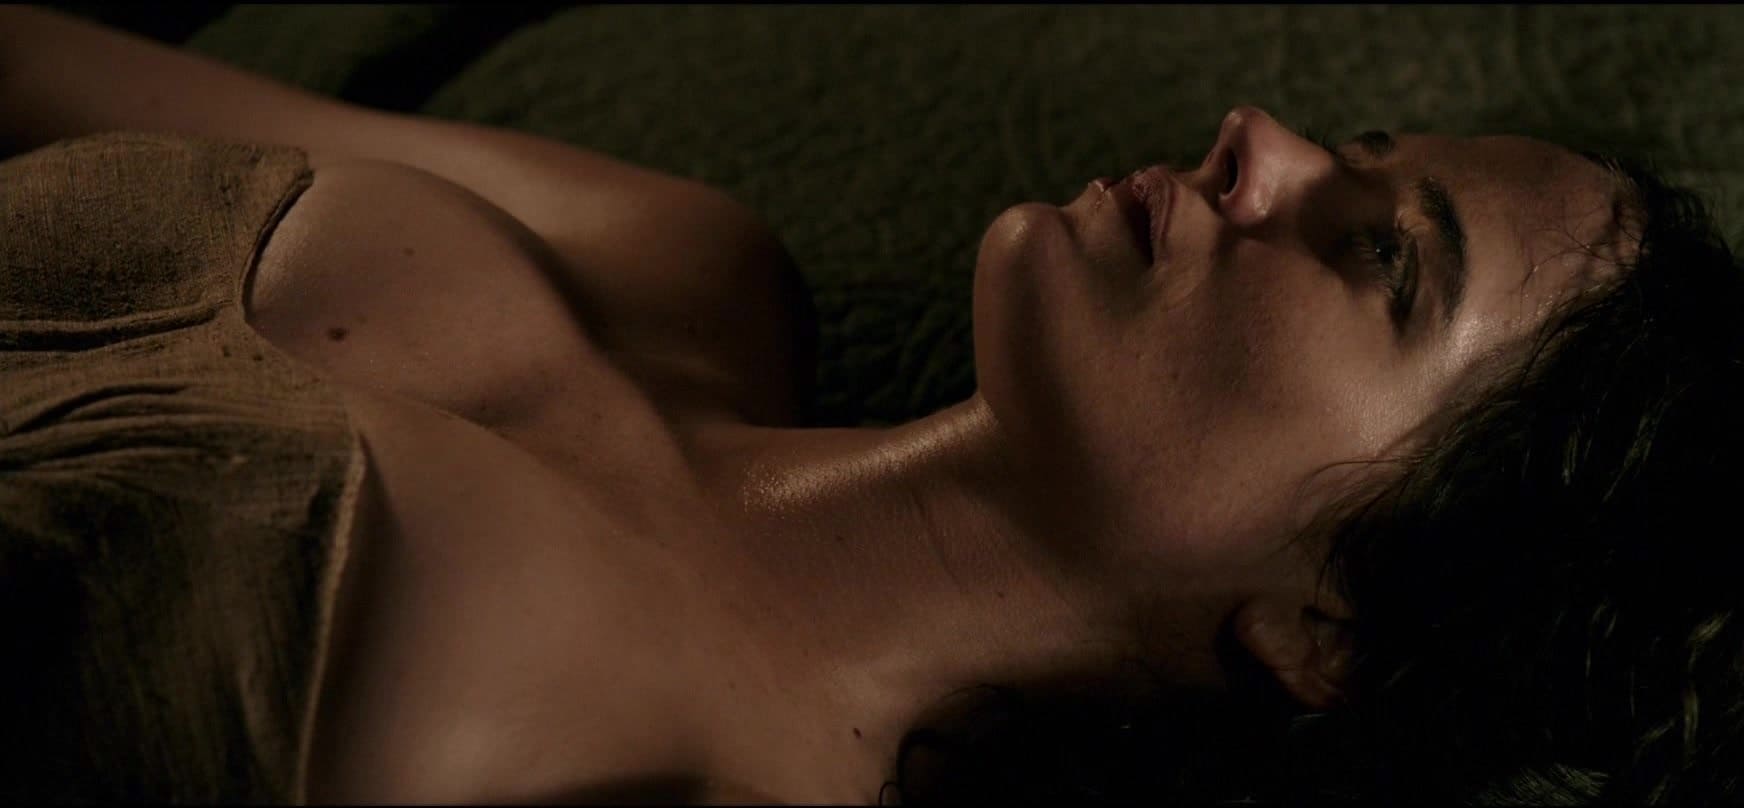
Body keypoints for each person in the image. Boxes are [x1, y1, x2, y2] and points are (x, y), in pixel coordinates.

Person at [0, 6, 1737, 805]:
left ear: (1327, 635)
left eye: (1379, 259)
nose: (1258, 144)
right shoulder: (671, 269)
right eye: (1348, 149)